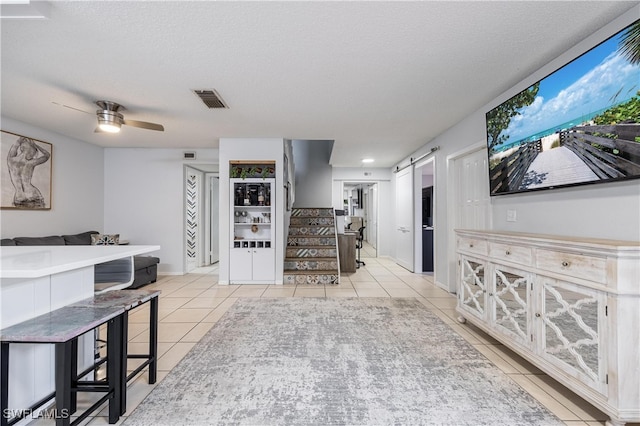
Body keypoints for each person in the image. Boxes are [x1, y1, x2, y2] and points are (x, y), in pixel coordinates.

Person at [7, 136, 50, 208]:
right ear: (32, 151)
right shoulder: (31, 163)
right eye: (34, 151)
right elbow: (47, 155)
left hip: (19, 197)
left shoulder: (11, 160)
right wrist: (35, 145)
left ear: (21, 148)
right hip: (33, 195)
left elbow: (16, 144)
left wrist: (21, 139)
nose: (34, 155)